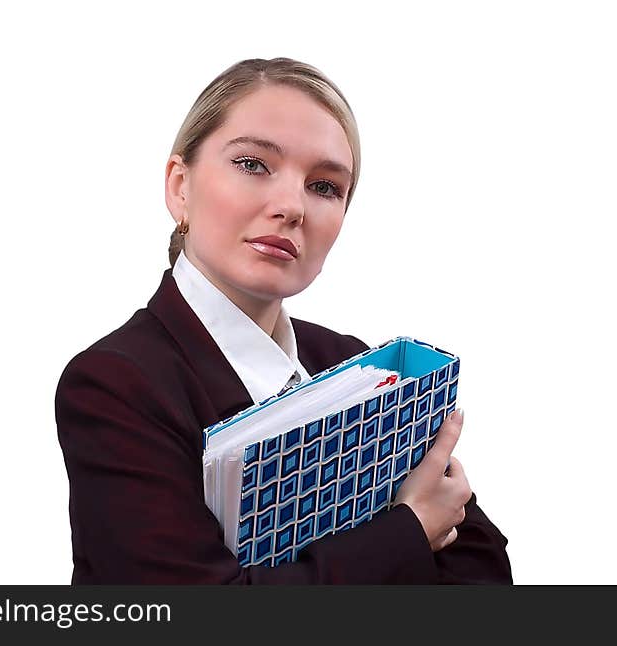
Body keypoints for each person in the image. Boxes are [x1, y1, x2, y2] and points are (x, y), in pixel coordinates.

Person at [55, 57, 513, 584]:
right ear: (180, 186)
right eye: (253, 164)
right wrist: (410, 529)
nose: (292, 206)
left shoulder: (356, 368)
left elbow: (483, 572)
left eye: (324, 187)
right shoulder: (115, 384)